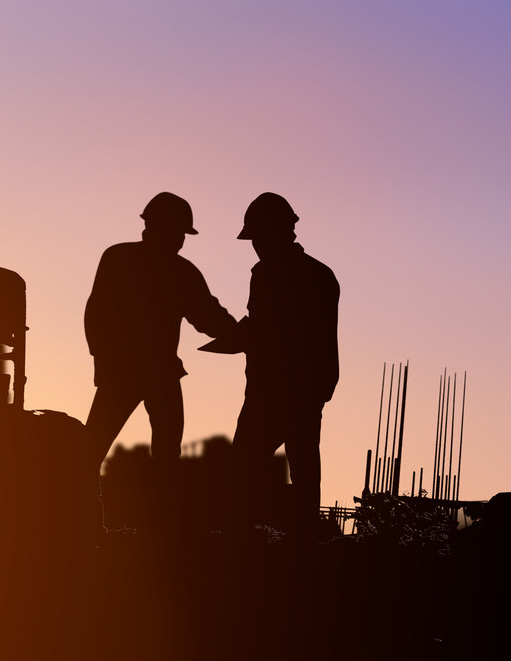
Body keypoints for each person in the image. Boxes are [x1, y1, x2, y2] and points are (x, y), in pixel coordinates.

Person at [80, 193, 239, 489]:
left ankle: (79, 514)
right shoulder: (174, 270)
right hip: (144, 373)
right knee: (159, 454)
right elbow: (209, 318)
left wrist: (103, 362)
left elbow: (207, 315)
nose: (180, 240)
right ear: (156, 228)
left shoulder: (121, 258)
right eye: (178, 233)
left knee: (96, 449)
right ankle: (158, 523)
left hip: (135, 372)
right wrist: (240, 334)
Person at [222, 193, 340, 531]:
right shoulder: (319, 274)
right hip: (297, 388)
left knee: (248, 464)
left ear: (276, 233)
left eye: (258, 238)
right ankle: (298, 544)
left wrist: (238, 338)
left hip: (279, 390)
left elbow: (274, 328)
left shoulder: (272, 274)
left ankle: (243, 539)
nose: (255, 246)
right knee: (301, 467)